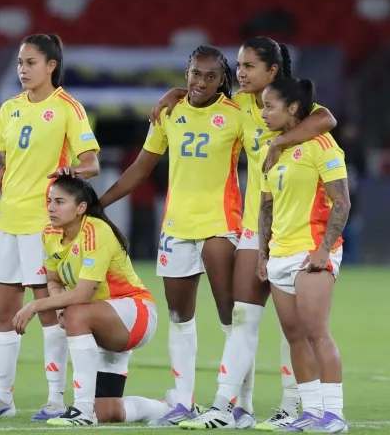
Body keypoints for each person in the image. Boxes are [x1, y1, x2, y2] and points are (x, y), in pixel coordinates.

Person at [154, 38, 337, 430]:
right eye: (239, 65)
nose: (241, 73)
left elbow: (327, 120)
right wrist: (178, 92)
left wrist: (284, 141)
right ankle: (226, 405)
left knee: (297, 327)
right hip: (256, 228)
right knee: (243, 318)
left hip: (297, 233)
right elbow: (203, 98)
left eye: (250, 66)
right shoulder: (240, 108)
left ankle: (294, 406)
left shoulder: (292, 109)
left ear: (273, 72)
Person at [100, 45, 244, 426]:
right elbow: (141, 167)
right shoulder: (168, 112)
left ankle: (236, 404)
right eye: (195, 73)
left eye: (210, 76)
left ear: (222, 79)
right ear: (186, 72)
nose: (200, 82)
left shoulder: (237, 115)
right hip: (177, 228)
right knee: (180, 317)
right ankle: (183, 401)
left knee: (231, 318)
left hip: (221, 224)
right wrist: (100, 203)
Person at [0, 33, 100, 420]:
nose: (23, 70)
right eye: (20, 63)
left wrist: (73, 169)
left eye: (30, 63)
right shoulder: (8, 108)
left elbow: (91, 162)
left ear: (51, 66)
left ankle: (55, 399)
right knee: (3, 312)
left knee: (47, 313)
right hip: (7, 223)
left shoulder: (68, 108)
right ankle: (2, 399)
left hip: (46, 227)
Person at [12, 175, 167, 426]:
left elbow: (83, 295)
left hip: (135, 314)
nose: (51, 207)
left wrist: (35, 306)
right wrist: (60, 306)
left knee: (76, 313)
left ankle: (82, 410)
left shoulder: (95, 231)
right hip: (101, 319)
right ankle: (165, 409)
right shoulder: (51, 233)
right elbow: (54, 281)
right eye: (50, 201)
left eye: (60, 201)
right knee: (109, 411)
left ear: (81, 208)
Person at [256, 78, 349, 433]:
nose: (263, 113)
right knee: (295, 337)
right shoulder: (273, 150)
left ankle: (335, 415)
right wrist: (264, 253)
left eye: (269, 106)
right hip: (280, 253)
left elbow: (342, 202)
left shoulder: (323, 146)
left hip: (310, 253)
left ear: (292, 108)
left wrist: (324, 250)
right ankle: (310, 412)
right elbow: (267, 206)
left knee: (316, 332)